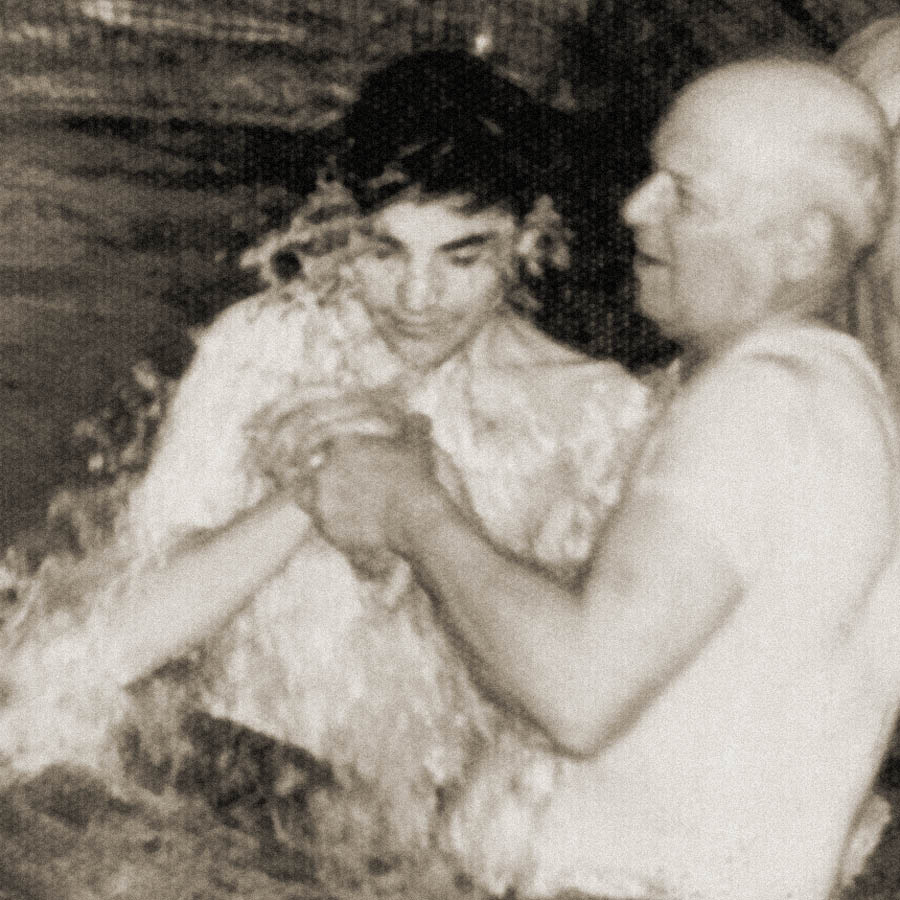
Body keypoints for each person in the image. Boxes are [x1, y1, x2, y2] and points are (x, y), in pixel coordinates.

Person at [0, 50, 652, 864]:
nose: (418, 298)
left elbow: (565, 706)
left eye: (463, 257)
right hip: (220, 784)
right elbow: (98, 649)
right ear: (342, 229)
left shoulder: (595, 413)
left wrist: (421, 501)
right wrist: (319, 486)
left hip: (410, 843)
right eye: (384, 251)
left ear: (529, 235)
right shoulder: (268, 345)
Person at [294, 57, 900, 900]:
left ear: (801, 245)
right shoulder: (813, 397)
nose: (636, 208)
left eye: (686, 196)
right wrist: (452, 515)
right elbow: (619, 649)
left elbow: (578, 694)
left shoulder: (767, 406)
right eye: (654, 175)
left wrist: (414, 511)